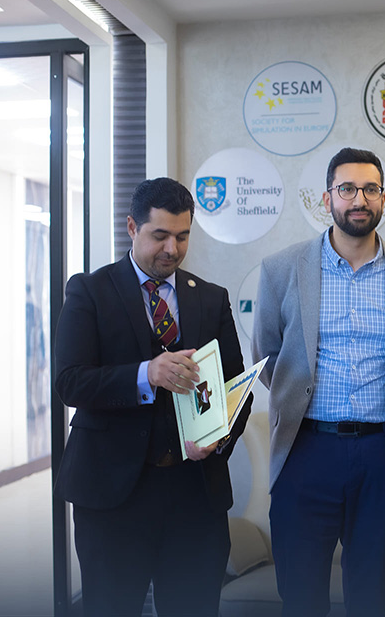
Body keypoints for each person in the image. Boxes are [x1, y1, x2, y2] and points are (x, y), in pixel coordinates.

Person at [55, 177, 251, 617]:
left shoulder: (212, 298)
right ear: (132, 227)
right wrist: (147, 374)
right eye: (160, 235)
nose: (172, 249)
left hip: (195, 496)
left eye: (182, 236)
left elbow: (235, 390)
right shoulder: (89, 291)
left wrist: (218, 437)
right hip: (112, 497)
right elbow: (70, 382)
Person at [252, 147, 385, 617]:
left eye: (371, 189)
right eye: (347, 189)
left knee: (370, 596)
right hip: (305, 450)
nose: (359, 199)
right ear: (327, 198)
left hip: (382, 455)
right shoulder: (281, 269)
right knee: (301, 597)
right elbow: (268, 358)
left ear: (384, 198)